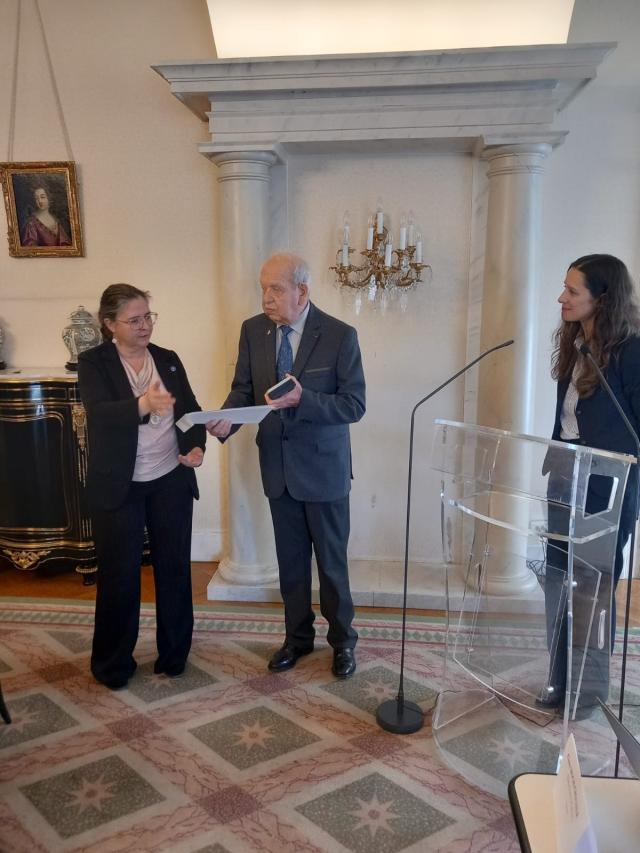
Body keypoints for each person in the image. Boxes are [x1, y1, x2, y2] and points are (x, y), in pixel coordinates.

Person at [207, 252, 365, 679]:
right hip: (278, 469)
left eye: (276, 289)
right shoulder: (253, 332)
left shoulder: (339, 335)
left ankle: (342, 643)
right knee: (291, 565)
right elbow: (244, 391)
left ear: (302, 291)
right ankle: (297, 638)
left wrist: (304, 400)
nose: (267, 298)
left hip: (324, 472)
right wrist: (225, 421)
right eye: (263, 288)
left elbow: (354, 404)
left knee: (332, 567)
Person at [78, 284, 206, 690]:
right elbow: (100, 414)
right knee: (119, 575)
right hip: (119, 485)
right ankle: (113, 664)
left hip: (170, 478)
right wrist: (143, 405)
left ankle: (174, 655)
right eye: (134, 319)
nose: (145, 325)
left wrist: (196, 445)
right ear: (110, 324)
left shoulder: (166, 360)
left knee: (173, 569)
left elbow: (189, 410)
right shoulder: (93, 362)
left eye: (149, 316)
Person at [540, 254, 640, 715]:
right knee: (558, 584)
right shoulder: (576, 342)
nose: (562, 298)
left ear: (602, 298)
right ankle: (558, 679)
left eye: (572, 291)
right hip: (564, 480)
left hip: (608, 490)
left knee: (593, 591)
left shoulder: (633, 351)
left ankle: (588, 690)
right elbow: (567, 422)